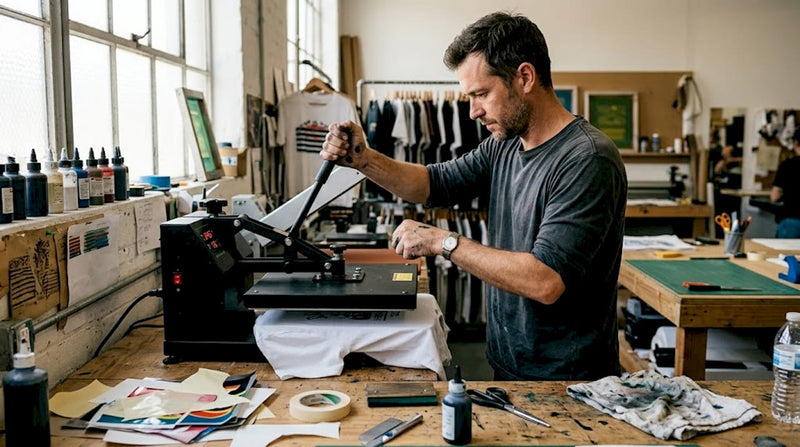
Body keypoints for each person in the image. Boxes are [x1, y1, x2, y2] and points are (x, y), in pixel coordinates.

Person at [320, 12, 627, 381]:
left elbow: (544, 281)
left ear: (525, 78)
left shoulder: (586, 159)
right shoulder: (505, 144)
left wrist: (442, 241)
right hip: (510, 363)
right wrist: (363, 159)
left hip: (571, 380)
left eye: (481, 94)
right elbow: (432, 183)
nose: (473, 111)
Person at [770, 127, 800, 238]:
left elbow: (774, 196)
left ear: (796, 144)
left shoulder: (787, 165)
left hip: (792, 221)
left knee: (786, 255)